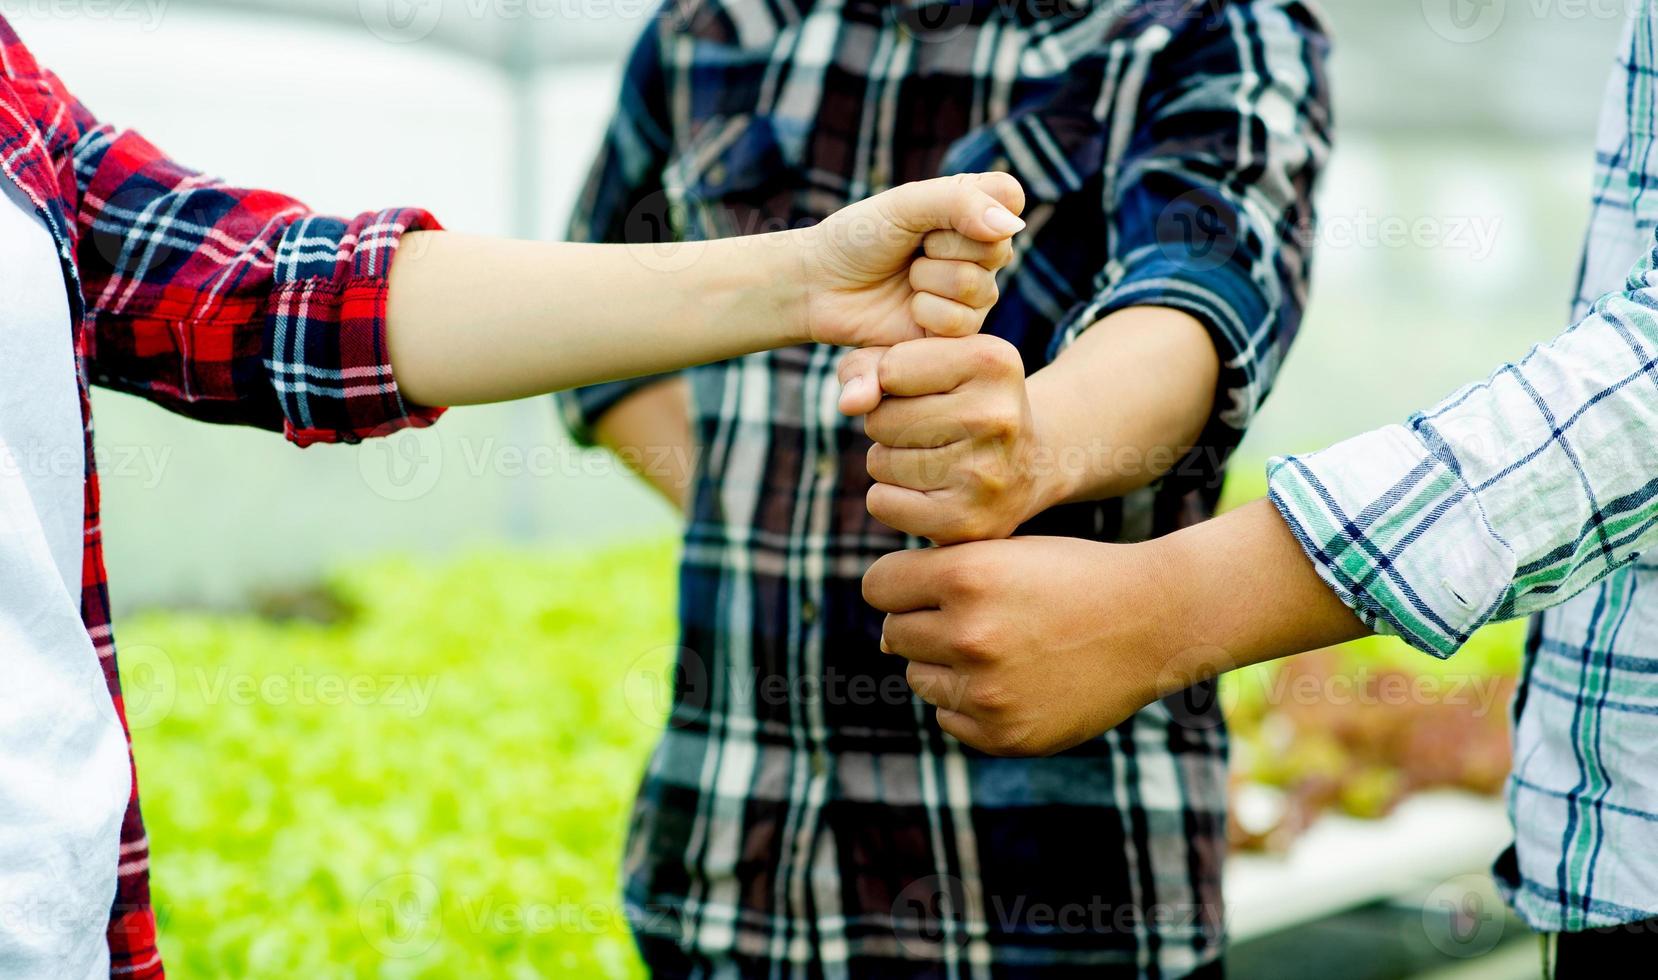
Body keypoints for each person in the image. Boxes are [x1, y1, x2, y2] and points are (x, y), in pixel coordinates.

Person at [0, 17, 1024, 977]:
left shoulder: (13, 96)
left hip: (64, 919)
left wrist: (803, 279)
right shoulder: (704, 26)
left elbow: (275, 291)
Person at [865, 1, 1658, 973]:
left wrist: (1140, 580)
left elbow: (1203, 285)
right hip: (1611, 843)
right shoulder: (718, 21)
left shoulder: (1210, 25)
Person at [555, 0, 1331, 974]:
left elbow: (1195, 306)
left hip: (1056, 888)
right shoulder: (712, 25)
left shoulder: (1199, 26)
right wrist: (737, 498)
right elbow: (599, 307)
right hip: (723, 858)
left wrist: (1032, 443)